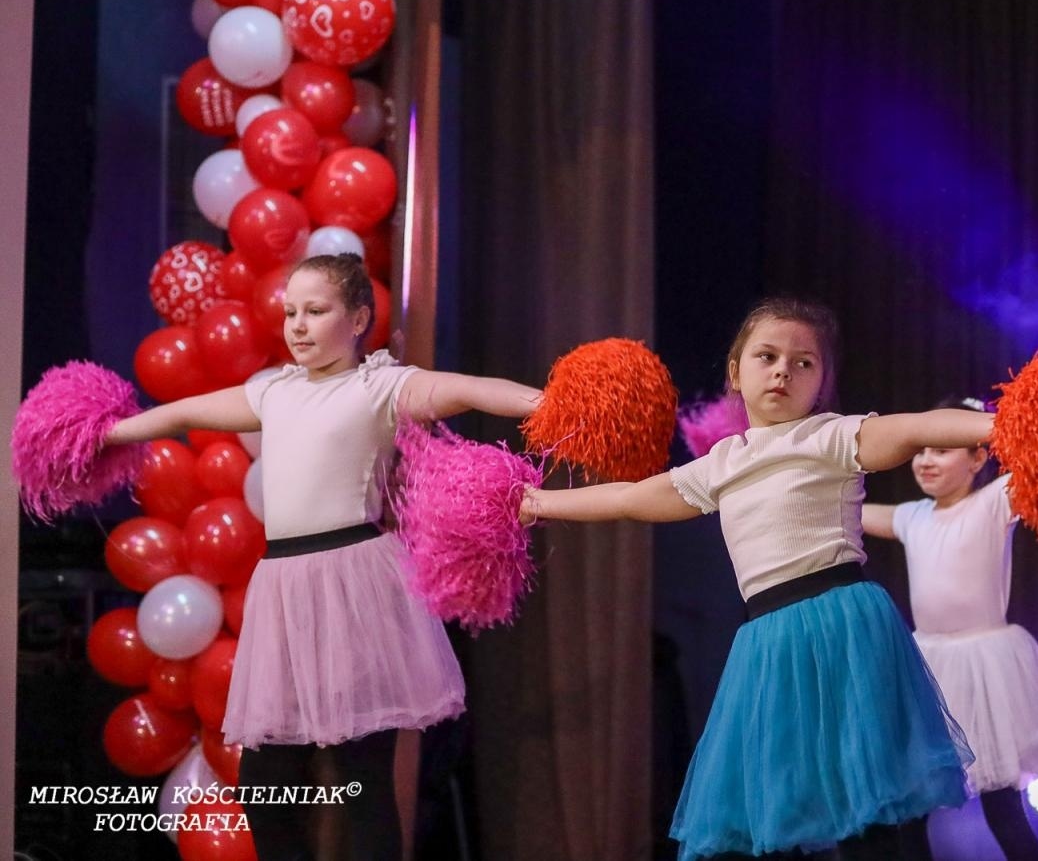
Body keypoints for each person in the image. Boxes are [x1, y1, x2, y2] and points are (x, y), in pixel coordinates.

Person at [107, 253, 544, 861]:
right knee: (267, 786)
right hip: (284, 589)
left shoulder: (381, 386)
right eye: (291, 313)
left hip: (353, 583)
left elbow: (471, 389)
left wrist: (548, 404)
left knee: (361, 780)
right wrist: (104, 433)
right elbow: (181, 412)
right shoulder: (274, 392)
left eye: (316, 311)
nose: (299, 326)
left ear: (359, 316)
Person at [520, 297, 983, 860]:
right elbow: (629, 497)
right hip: (769, 644)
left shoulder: (832, 436)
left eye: (803, 362)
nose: (784, 370)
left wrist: (1006, 423)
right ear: (736, 373)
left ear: (822, 382)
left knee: (878, 817)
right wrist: (538, 502)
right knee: (781, 813)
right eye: (767, 356)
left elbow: (921, 427)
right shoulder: (723, 462)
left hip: (843, 628)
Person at [862, 398, 1038, 861]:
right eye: (921, 450)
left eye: (943, 450)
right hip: (929, 667)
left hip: (988, 668)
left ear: (978, 459)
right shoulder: (912, 517)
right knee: (912, 808)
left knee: (1003, 809)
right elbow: (850, 513)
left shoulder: (996, 501)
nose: (927, 460)